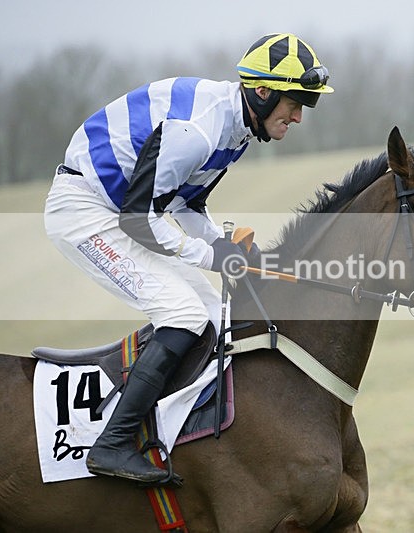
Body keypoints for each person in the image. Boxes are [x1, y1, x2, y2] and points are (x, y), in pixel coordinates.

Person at [43, 33, 333, 485]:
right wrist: (212, 255)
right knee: (181, 314)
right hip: (84, 211)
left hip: (119, 209)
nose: (298, 116)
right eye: (295, 103)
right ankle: (112, 444)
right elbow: (141, 219)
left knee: (208, 318)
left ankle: (165, 433)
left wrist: (225, 245)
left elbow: (185, 206)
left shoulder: (237, 129)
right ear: (263, 92)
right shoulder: (198, 130)